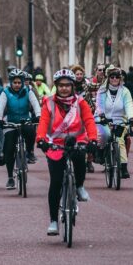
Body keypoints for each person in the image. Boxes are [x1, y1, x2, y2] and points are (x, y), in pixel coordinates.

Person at [37, 69, 98, 236]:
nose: (64, 89)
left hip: (77, 140)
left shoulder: (81, 102)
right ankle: (53, 221)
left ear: (72, 86)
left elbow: (89, 121)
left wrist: (93, 139)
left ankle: (78, 186)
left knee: (79, 157)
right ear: (56, 86)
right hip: (55, 144)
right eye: (61, 85)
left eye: (67, 85)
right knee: (55, 182)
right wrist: (41, 139)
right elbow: (43, 122)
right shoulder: (48, 103)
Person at [0, 70, 42, 189]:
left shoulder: (29, 91)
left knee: (31, 131)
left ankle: (29, 152)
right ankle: (10, 177)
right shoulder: (5, 92)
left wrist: (38, 115)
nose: (17, 85)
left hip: (24, 120)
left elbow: (36, 104)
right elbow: (1, 107)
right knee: (9, 149)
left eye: (19, 82)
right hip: (10, 122)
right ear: (11, 82)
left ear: (22, 82)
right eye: (15, 82)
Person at [95, 66, 133, 179]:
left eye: (117, 77)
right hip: (103, 119)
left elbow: (128, 105)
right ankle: (101, 152)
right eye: (112, 77)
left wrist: (131, 117)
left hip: (120, 120)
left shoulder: (125, 91)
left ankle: (123, 167)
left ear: (120, 78)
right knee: (105, 134)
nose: (114, 79)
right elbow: (99, 105)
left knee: (120, 140)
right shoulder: (102, 90)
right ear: (108, 78)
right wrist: (101, 115)